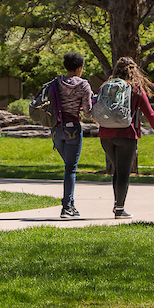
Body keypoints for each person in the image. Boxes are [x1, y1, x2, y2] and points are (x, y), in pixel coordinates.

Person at [98, 57, 154, 218]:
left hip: (106, 135)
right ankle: (120, 209)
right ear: (133, 70)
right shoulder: (136, 89)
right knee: (123, 173)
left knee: (118, 170)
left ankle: (117, 205)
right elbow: (149, 113)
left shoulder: (105, 87)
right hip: (126, 135)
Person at [52, 51, 94, 219]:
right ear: (79, 68)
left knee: (68, 166)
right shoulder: (83, 85)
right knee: (71, 168)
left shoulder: (56, 83)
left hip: (56, 129)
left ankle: (70, 203)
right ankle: (67, 206)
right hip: (72, 129)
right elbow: (88, 113)